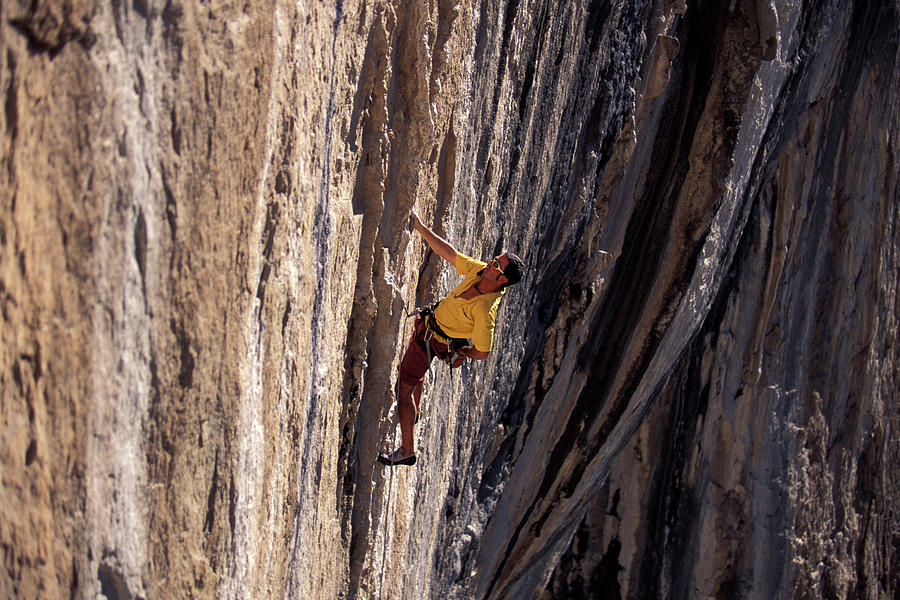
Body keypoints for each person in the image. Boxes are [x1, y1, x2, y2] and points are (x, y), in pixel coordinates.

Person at [378, 211, 525, 466]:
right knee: (416, 380)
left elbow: (483, 351)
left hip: (434, 339)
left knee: (404, 389)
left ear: (501, 279)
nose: (491, 262)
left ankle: (407, 451)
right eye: (495, 259)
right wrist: (422, 229)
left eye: (497, 265)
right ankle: (413, 416)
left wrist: (466, 351)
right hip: (430, 331)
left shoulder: (484, 310)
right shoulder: (480, 272)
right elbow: (450, 254)